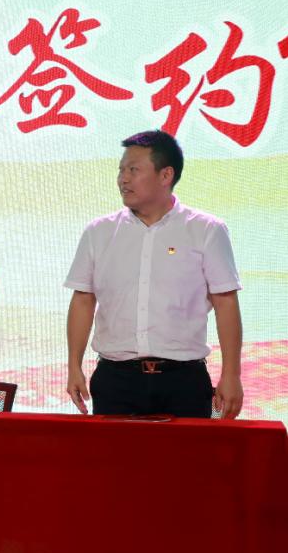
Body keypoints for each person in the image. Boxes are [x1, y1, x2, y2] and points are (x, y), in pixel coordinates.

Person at [65, 130, 243, 419]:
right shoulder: (99, 232)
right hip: (115, 379)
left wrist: (231, 375)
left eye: (133, 170)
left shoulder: (206, 230)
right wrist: (74, 365)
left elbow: (226, 303)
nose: (123, 179)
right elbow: (83, 300)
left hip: (183, 380)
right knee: (113, 451)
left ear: (165, 175)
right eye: (121, 170)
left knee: (186, 451)